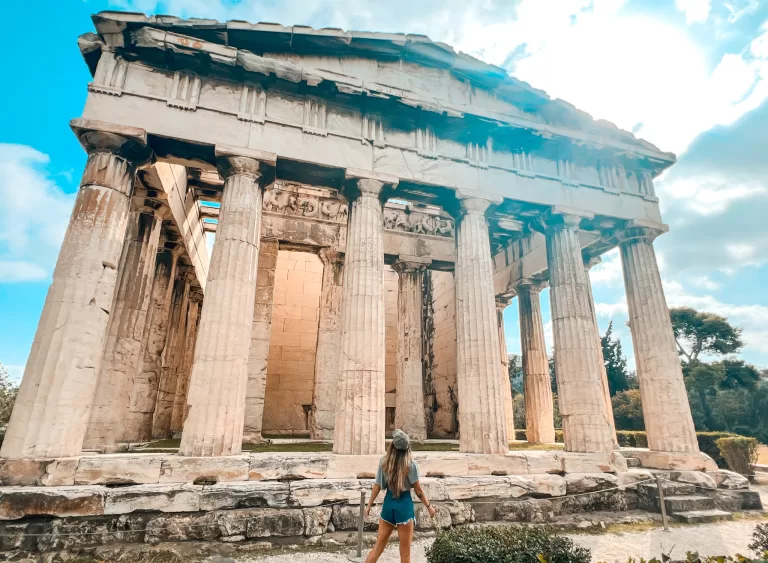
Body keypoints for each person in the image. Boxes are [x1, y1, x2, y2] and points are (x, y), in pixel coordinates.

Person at [364, 429, 436, 563]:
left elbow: (377, 485)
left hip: (388, 504)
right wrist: (429, 507)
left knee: (378, 548)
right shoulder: (411, 465)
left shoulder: (384, 461)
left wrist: (369, 505)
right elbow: (418, 491)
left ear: (393, 445)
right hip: (404, 505)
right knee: (405, 554)